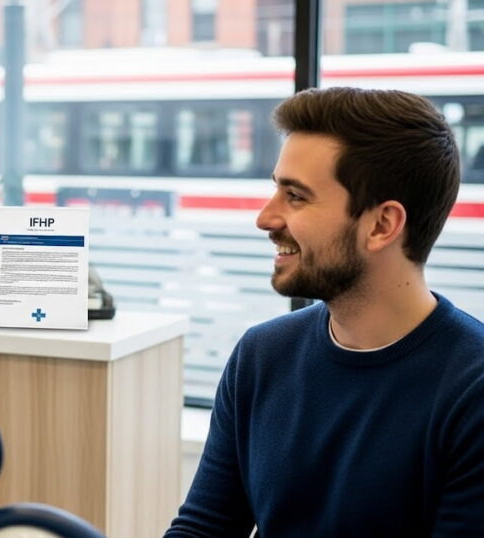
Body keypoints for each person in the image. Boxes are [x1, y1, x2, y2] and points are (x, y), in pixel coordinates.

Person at [165, 87, 484, 536]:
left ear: (381, 225)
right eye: (276, 189)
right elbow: (206, 526)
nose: (265, 218)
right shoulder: (261, 354)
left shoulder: (471, 391)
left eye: (295, 196)